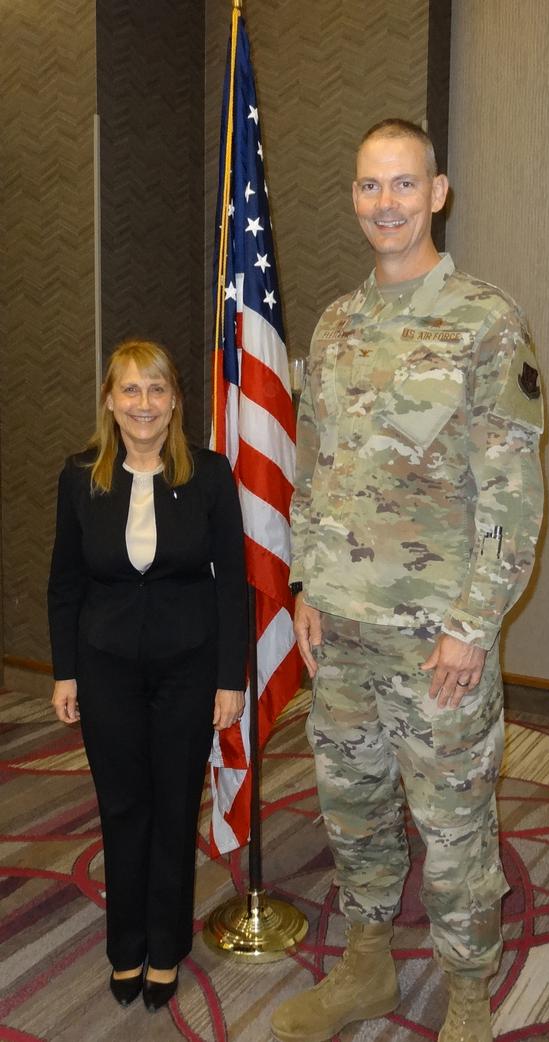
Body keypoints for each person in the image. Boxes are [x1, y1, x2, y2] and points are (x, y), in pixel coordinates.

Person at [271, 120, 544, 1042]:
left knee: (457, 827)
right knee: (354, 814)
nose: (383, 203)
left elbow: (511, 491)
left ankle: (470, 992)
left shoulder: (485, 320)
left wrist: (474, 625)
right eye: (367, 186)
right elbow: (317, 471)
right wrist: (307, 584)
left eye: (402, 185)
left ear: (437, 193)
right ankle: (368, 965)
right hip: (340, 635)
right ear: (355, 197)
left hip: (437, 641)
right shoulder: (336, 324)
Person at [48, 338, 247, 1012]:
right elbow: (64, 583)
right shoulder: (80, 476)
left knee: (172, 806)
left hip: (189, 667)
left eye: (156, 390)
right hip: (105, 668)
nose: (143, 404)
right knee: (122, 806)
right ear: (109, 400)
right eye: (130, 390)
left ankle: (166, 948)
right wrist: (64, 672)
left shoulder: (210, 474)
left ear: (175, 402)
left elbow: (233, 587)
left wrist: (230, 679)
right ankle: (124, 946)